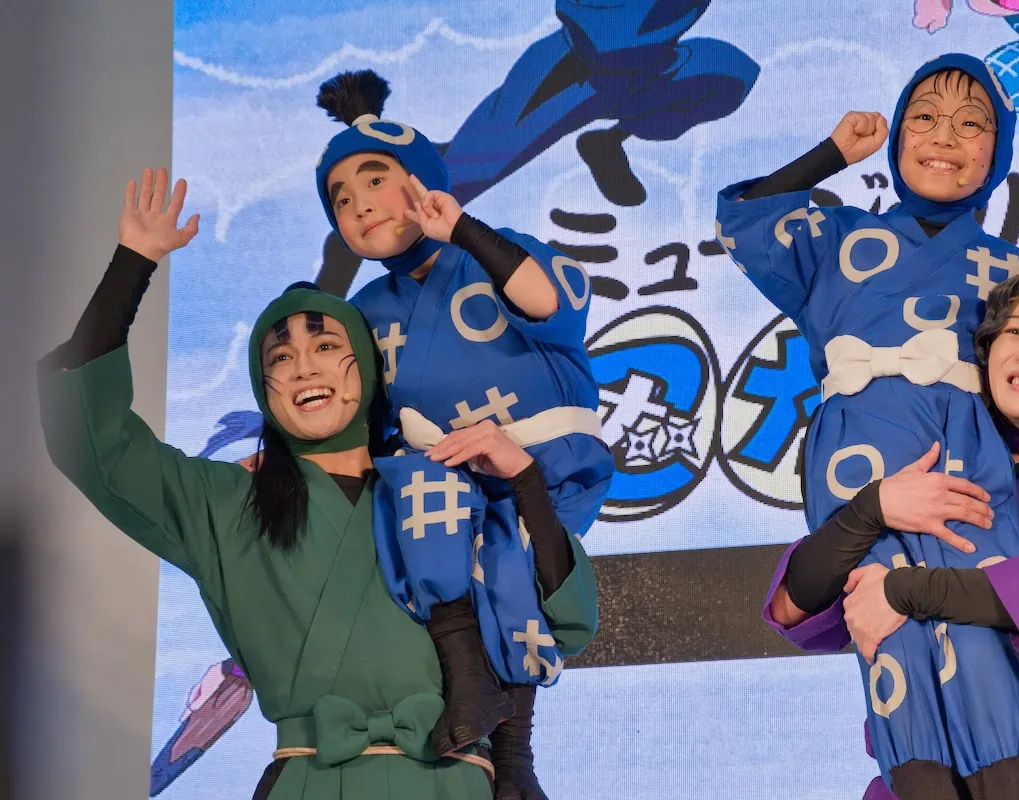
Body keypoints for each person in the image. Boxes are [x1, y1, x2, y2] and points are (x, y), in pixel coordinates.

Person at [37, 168, 599, 800]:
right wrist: (133, 263)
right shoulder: (224, 504)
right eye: (280, 357)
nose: (304, 366)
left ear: (371, 368)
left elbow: (564, 618)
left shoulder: (444, 488)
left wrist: (524, 480)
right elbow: (92, 442)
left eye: (327, 346)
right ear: (264, 390)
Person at [717, 53, 1019, 796]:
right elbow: (743, 219)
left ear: (999, 153)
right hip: (859, 455)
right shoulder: (835, 238)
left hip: (968, 458)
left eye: (972, 124)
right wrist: (832, 154)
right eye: (923, 117)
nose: (944, 137)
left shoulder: (1014, 270)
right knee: (889, 635)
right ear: (896, 137)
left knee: (983, 637)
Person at [313, 69, 614, 799]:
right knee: (426, 518)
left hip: (544, 465)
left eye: (375, 181)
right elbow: (362, 418)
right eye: (341, 200)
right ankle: (479, 710)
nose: (359, 205)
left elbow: (547, 303)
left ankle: (514, 751)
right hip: (439, 480)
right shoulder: (367, 310)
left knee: (512, 570)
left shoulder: (496, 253)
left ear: (423, 181)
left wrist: (465, 232)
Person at [766, 265, 1019, 800]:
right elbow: (792, 607)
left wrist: (903, 591)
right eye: (1014, 331)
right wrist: (871, 509)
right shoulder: (930, 463)